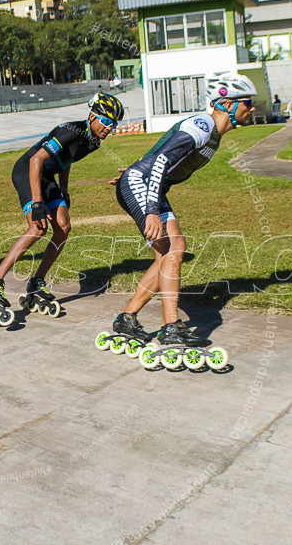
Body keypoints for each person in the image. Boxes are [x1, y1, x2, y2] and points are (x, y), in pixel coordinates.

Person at [109, 73, 257, 346]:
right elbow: (163, 159)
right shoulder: (202, 125)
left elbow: (160, 152)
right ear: (227, 104)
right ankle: (170, 327)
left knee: (171, 250)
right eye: (247, 102)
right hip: (145, 186)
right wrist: (150, 206)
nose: (252, 107)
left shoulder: (213, 135)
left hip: (145, 183)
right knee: (173, 250)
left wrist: (135, 169)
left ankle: (127, 318)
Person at [0, 93, 124, 318]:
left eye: (114, 124)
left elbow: (66, 161)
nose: (109, 127)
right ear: (92, 116)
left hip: (47, 177)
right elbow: (36, 160)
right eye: (106, 121)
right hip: (27, 171)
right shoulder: (71, 131)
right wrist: (37, 203)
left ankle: (36, 281)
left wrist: (63, 189)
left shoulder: (94, 142)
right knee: (37, 228)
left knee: (63, 227)